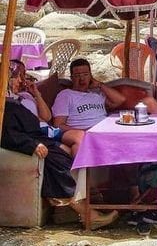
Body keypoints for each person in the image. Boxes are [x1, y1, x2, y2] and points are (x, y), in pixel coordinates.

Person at [3, 63, 118, 229]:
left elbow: (41, 119)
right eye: (16, 78)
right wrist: (31, 145)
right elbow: (6, 133)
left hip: (39, 135)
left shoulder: (17, 99)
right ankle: (88, 215)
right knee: (58, 162)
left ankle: (69, 211)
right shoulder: (4, 104)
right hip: (32, 140)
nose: (20, 81)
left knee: (62, 157)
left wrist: (35, 94)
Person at [52, 58, 157, 157]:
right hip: (85, 133)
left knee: (147, 109)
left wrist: (100, 85)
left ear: (91, 76)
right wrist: (81, 132)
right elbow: (58, 124)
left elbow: (120, 100)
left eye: (85, 74)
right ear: (71, 78)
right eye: (77, 76)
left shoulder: (96, 94)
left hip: (107, 131)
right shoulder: (66, 95)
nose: (82, 79)